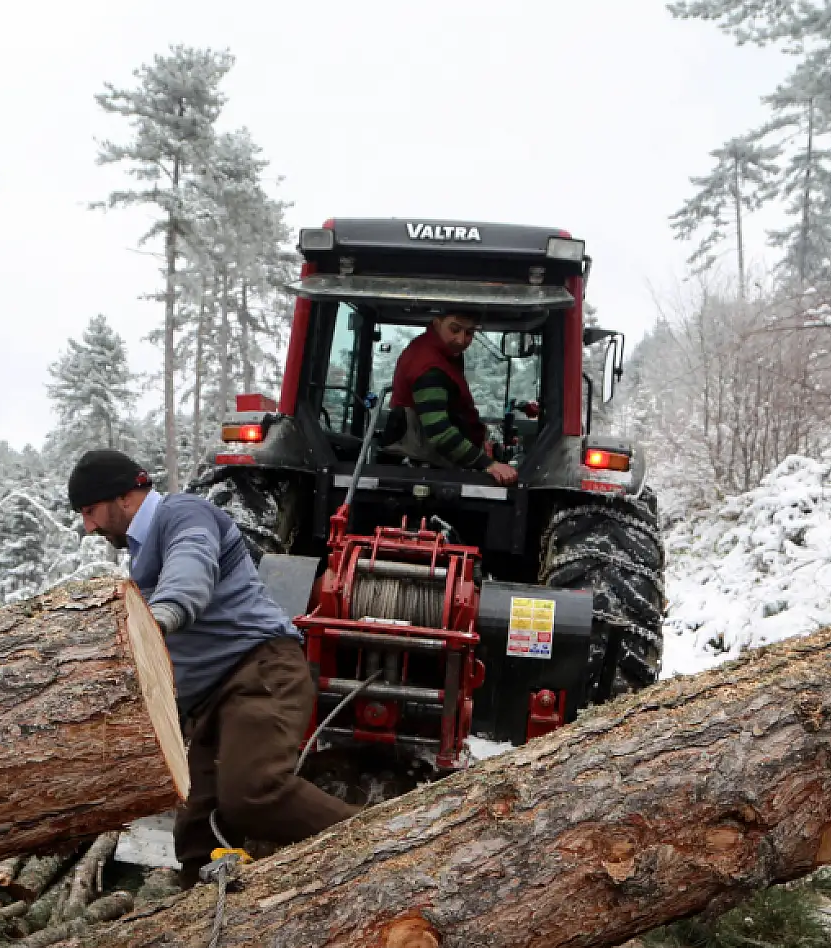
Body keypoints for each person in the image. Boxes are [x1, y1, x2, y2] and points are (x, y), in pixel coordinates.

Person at [67, 448, 356, 886]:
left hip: (260, 671)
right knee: (198, 828)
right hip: (213, 699)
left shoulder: (184, 514)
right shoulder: (142, 551)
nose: (88, 526)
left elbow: (190, 567)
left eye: (91, 511)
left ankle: (389, 842)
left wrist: (162, 615)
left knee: (253, 793)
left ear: (125, 497)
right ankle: (197, 920)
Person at [387, 311, 519, 486]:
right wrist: (488, 464)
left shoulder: (444, 355)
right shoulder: (429, 367)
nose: (461, 340)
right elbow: (440, 433)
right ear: (436, 323)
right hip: (425, 465)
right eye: (455, 329)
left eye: (469, 333)